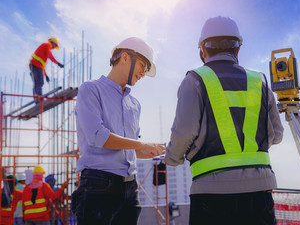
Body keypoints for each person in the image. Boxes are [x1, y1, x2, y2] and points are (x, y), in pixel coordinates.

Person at [165, 16, 284, 225]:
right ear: (237, 49)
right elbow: (277, 135)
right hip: (259, 192)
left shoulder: (194, 80)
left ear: (203, 50)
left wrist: (172, 158)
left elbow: (184, 133)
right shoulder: (260, 81)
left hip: (211, 196)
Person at [71, 37, 166, 225]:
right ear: (124, 57)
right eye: (142, 65)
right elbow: (97, 135)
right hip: (98, 186)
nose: (143, 73)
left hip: (130, 188)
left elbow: (131, 150)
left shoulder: (135, 105)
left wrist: (155, 151)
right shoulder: (90, 89)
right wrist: (140, 144)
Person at [29, 37, 64, 102]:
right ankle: (38, 99)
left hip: (36, 66)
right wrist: (57, 63)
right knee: (38, 83)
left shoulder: (45, 48)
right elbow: (49, 55)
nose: (54, 48)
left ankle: (38, 99)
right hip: (35, 66)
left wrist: (46, 75)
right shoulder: (48, 45)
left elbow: (42, 65)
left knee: (39, 83)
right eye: (55, 46)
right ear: (53, 43)